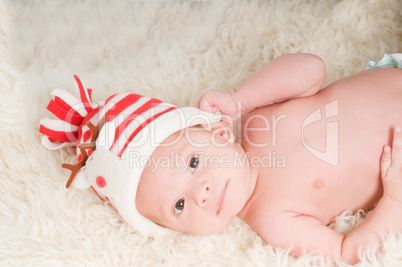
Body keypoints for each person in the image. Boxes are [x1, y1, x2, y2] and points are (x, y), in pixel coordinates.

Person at [39, 53, 402, 265]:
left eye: (193, 163)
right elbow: (346, 252)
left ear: (218, 132)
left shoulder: (259, 120)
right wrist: (394, 200)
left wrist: (239, 99)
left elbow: (312, 69)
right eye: (179, 205)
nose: (201, 193)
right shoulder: (271, 219)